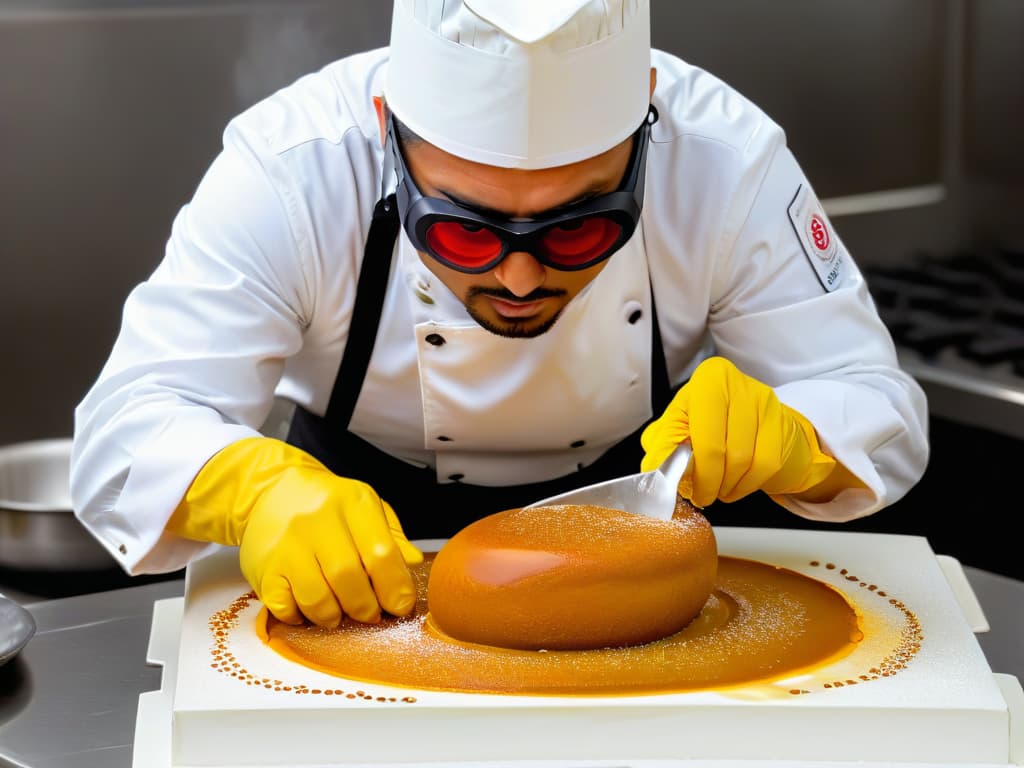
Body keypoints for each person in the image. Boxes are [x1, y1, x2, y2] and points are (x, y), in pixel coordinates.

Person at [70, 0, 929, 629]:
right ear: (386, 133)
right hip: (355, 559)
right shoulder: (292, 172)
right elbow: (122, 433)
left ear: (648, 125)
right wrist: (253, 491)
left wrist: (797, 438)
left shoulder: (728, 165)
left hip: (636, 546)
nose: (520, 277)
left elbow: (875, 401)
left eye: (582, 225)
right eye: (463, 230)